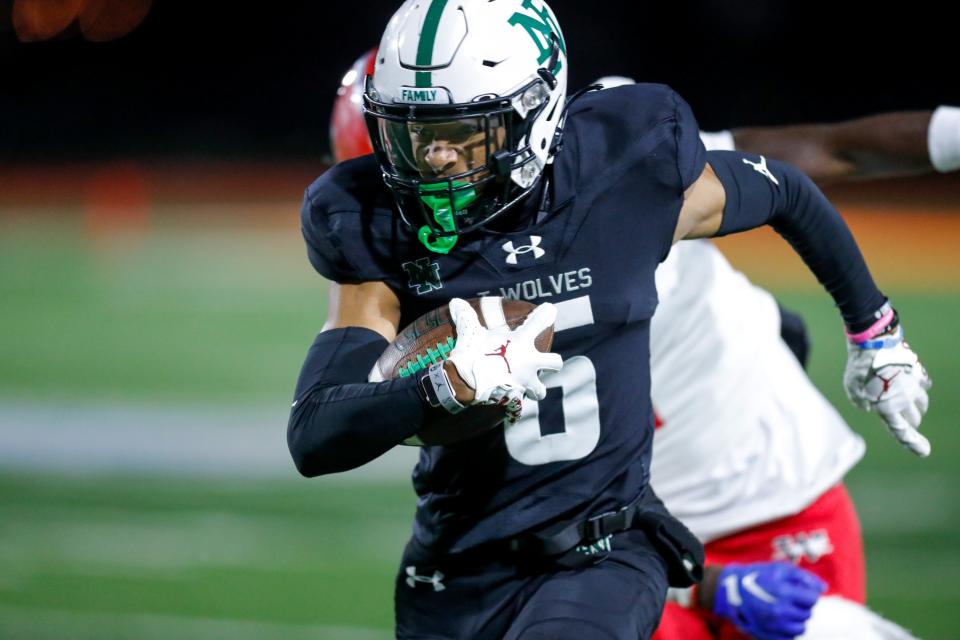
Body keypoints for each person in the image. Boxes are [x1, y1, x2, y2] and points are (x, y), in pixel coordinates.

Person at [288, 1, 932, 638]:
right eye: (413, 132)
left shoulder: (622, 172)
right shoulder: (374, 233)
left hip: (607, 551)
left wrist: (877, 332)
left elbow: (783, 187)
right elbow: (315, 435)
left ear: (532, 115)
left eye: (461, 132)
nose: (434, 160)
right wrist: (438, 388)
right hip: (457, 560)